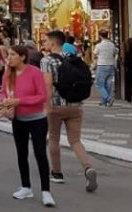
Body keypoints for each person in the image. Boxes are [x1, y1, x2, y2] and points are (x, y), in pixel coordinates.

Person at [41, 31, 98, 193]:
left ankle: (57, 173)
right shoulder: (73, 57)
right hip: (76, 105)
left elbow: (47, 84)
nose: (44, 44)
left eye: (45, 41)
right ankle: (87, 167)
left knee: (53, 138)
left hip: (56, 106)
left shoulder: (47, 60)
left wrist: (46, 106)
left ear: (53, 43)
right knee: (75, 140)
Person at [0, 45, 54, 207]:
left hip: (37, 119)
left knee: (40, 153)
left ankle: (46, 191)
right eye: (8, 55)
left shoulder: (34, 72)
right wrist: (4, 103)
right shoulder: (8, 73)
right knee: (21, 153)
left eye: (12, 55)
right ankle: (26, 187)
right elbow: (4, 93)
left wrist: (20, 101)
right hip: (18, 119)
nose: (9, 58)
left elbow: (42, 96)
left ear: (22, 57)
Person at [93, 30, 118, 107]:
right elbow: (116, 52)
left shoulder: (99, 45)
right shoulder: (112, 45)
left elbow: (95, 54)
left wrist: (94, 63)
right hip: (111, 65)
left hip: (102, 65)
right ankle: (104, 101)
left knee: (99, 84)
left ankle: (108, 99)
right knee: (108, 84)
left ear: (100, 36)